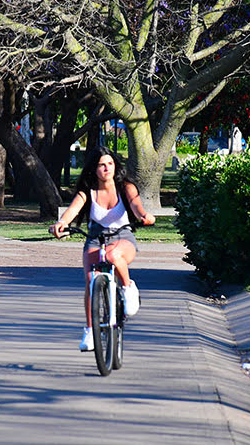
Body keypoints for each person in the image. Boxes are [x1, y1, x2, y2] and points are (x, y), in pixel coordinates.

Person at [50, 146, 155, 351]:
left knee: (113, 254)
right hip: (95, 238)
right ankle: (90, 330)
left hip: (122, 237)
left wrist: (144, 216)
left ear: (115, 166)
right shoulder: (87, 191)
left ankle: (127, 288)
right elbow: (72, 210)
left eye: (110, 164)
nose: (106, 168)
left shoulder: (126, 187)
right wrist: (61, 223)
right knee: (91, 281)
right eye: (101, 165)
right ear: (94, 169)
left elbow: (136, 206)